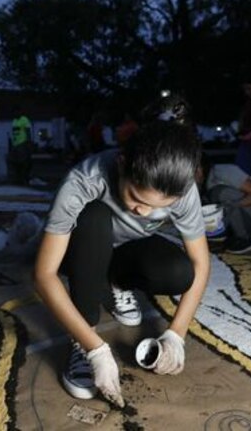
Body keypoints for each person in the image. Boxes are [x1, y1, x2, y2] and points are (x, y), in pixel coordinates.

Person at [34, 107, 210, 407]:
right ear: (122, 164)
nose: (147, 212)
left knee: (178, 272)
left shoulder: (182, 188)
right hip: (77, 249)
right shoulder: (84, 180)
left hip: (123, 252)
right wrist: (95, 350)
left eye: (160, 207)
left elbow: (201, 263)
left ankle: (116, 282)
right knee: (93, 216)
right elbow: (44, 274)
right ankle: (82, 334)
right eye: (138, 200)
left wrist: (176, 335)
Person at [197, 156, 251, 254]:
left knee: (220, 193)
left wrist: (231, 206)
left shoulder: (222, 171)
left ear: (199, 169)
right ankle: (223, 237)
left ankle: (242, 240)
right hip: (248, 224)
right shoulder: (199, 184)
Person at [8, 107, 32, 185]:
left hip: (22, 143)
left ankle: (25, 179)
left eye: (15, 113)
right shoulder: (14, 121)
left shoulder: (24, 120)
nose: (14, 114)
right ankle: (18, 179)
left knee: (23, 162)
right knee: (16, 162)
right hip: (16, 144)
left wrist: (28, 142)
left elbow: (28, 131)